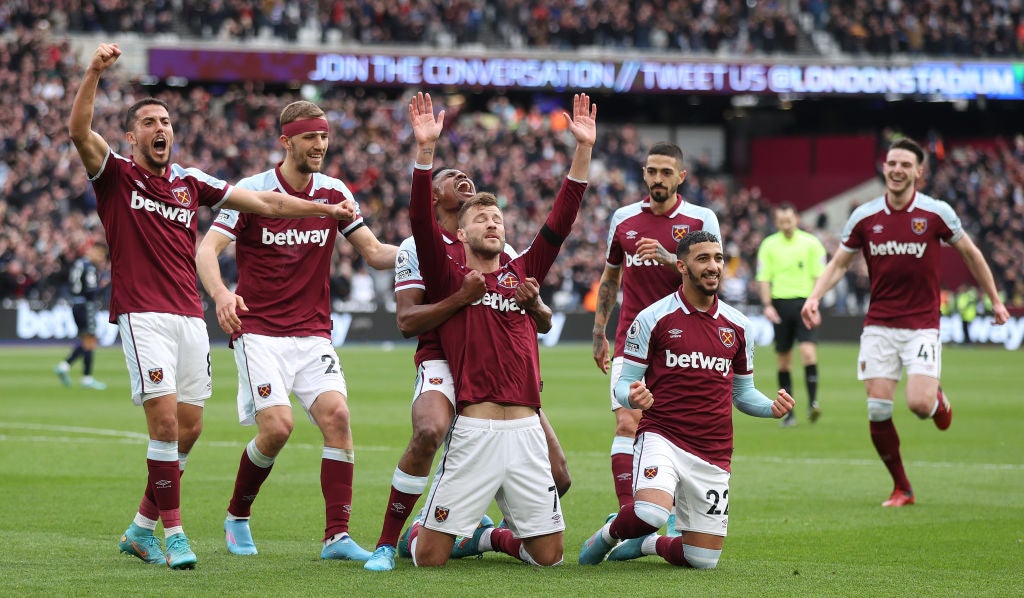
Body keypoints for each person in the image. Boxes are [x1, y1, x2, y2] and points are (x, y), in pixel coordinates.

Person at [69, 43, 355, 570]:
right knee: (163, 426)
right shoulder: (115, 176)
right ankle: (174, 534)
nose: (162, 128)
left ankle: (139, 528)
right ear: (132, 137)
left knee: (190, 428)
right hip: (142, 313)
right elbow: (79, 132)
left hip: (188, 318)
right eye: (150, 122)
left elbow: (268, 202)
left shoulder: (190, 183)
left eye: (167, 121)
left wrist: (322, 207)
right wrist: (93, 72)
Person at [195, 100, 398, 561]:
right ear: (286, 141)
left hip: (312, 334)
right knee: (278, 428)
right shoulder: (252, 191)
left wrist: (422, 250)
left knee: (339, 419)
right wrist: (223, 295)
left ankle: (337, 537)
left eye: (324, 137)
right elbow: (207, 251)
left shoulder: (334, 191)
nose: (320, 145)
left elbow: (374, 252)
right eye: (311, 137)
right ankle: (237, 515)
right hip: (259, 331)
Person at [403, 92, 594, 568]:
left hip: (527, 428)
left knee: (549, 558)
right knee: (428, 557)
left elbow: (560, 223)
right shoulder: (450, 277)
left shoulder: (523, 274)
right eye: (481, 219)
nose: (492, 223)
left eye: (498, 219)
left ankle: (488, 537)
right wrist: (425, 151)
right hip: (476, 429)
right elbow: (420, 223)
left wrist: (583, 150)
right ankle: (424, 528)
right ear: (462, 235)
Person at [363, 163, 571, 571]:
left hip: (499, 370)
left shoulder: (500, 249)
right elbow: (407, 321)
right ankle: (389, 541)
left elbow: (533, 314)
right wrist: (461, 299)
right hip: (443, 353)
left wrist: (538, 309)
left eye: (495, 216)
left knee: (559, 474)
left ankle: (480, 520)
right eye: (448, 175)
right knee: (429, 430)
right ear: (436, 196)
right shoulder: (418, 247)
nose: (462, 177)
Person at [801, 137, 1010, 508]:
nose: (897, 170)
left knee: (917, 404)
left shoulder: (936, 213)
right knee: (878, 409)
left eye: (905, 165)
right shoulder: (864, 216)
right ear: (885, 168)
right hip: (879, 325)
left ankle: (937, 400)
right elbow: (839, 263)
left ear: (919, 172)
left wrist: (995, 300)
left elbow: (972, 254)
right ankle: (902, 487)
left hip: (922, 325)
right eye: (891, 163)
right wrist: (815, 296)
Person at [578, 230, 794, 567]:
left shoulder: (739, 326)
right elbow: (624, 385)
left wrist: (770, 408)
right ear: (681, 265)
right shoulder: (653, 317)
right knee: (650, 511)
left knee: (702, 559)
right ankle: (609, 534)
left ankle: (650, 545)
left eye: (719, 259)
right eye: (703, 258)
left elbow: (743, 393)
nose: (714, 266)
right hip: (662, 436)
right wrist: (633, 396)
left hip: (713, 451)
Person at [591, 142, 721, 517]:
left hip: (683, 345)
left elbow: (714, 279)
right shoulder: (624, 219)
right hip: (632, 340)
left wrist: (670, 259)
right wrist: (599, 331)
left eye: (666, 172)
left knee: (679, 432)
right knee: (627, 422)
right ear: (644, 173)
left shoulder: (701, 220)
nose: (658, 179)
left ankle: (676, 513)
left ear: (681, 176)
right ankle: (630, 514)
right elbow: (610, 277)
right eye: (652, 171)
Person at [755, 202, 827, 426]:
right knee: (784, 362)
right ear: (777, 222)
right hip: (779, 305)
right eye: (782, 220)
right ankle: (789, 413)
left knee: (808, 354)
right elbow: (764, 278)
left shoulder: (811, 244)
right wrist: (767, 305)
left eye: (789, 219)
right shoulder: (768, 245)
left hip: (804, 305)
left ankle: (813, 404)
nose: (786, 224)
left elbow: (820, 277)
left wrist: (816, 304)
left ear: (796, 218)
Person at [55, 241, 109, 390]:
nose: (101, 259)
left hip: (75, 304)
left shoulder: (79, 263)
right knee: (90, 340)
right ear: (93, 251)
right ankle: (77, 372)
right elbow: (91, 291)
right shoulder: (90, 267)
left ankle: (71, 369)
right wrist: (102, 286)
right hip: (86, 305)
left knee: (87, 339)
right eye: (100, 255)